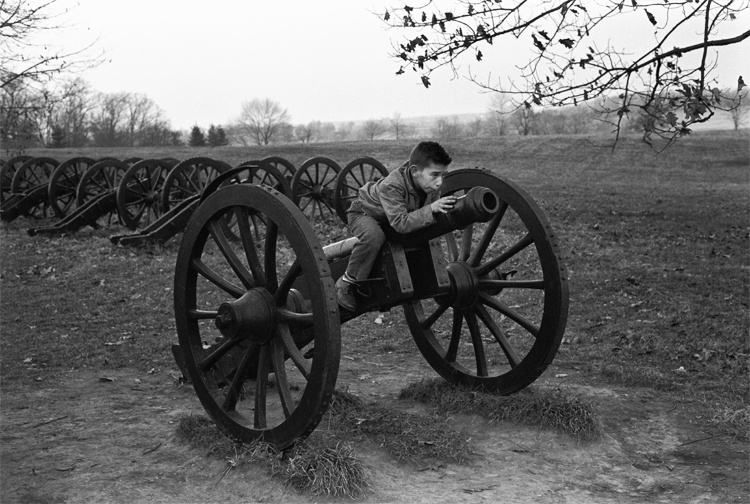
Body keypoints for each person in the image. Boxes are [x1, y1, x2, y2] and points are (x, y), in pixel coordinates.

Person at [336, 141, 456, 311]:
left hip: (390, 217)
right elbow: (401, 223)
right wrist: (430, 209)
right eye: (435, 175)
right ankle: (347, 282)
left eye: (443, 175)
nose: (439, 182)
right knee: (374, 237)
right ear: (415, 171)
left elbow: (427, 218)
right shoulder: (392, 185)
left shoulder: (428, 185)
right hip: (365, 213)